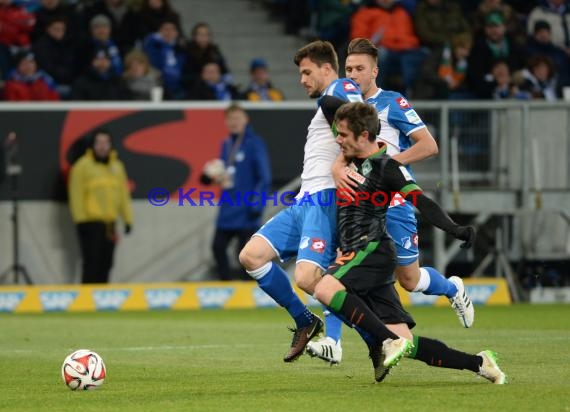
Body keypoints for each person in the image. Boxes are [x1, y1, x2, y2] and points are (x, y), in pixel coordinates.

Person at [311, 101, 506, 384]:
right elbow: (328, 103)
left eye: (342, 135)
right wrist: (337, 161)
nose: (336, 139)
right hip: (360, 255)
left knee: (324, 287)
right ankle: (479, 363)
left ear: (364, 136)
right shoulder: (351, 157)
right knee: (407, 341)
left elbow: (422, 202)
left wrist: (456, 229)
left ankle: (384, 340)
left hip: (372, 250)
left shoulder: (388, 167)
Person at [307, 38, 475, 365]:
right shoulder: (343, 106)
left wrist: (386, 164)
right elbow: (338, 150)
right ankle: (333, 341)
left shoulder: (392, 103)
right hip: (358, 205)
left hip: (394, 201)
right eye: (349, 69)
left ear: (375, 71)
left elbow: (428, 145)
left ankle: (452, 289)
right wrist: (339, 166)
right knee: (338, 263)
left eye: (360, 69)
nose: (353, 75)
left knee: (409, 280)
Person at [238, 40, 363, 363]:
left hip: (325, 200)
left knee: (308, 278)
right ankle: (306, 320)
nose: (302, 79)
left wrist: (342, 165)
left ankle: (372, 334)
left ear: (326, 68)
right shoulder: (326, 100)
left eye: (307, 72)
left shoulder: (342, 87)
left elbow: (358, 120)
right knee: (251, 256)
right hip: (304, 200)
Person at [200, 103, 271, 281]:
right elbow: (226, 171)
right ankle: (226, 286)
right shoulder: (226, 144)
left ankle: (247, 290)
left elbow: (264, 176)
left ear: (246, 119)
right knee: (217, 247)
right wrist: (212, 176)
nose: (234, 123)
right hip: (228, 206)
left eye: (237, 118)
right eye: (230, 119)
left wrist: (257, 204)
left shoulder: (255, 143)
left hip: (247, 208)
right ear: (225, 122)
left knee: (244, 253)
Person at [68, 129, 133, 284]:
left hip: (110, 222)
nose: (102, 146)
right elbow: (76, 195)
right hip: (90, 222)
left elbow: (123, 195)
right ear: (93, 145)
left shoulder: (117, 167)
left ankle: (101, 300)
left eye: (106, 142)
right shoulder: (82, 166)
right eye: (99, 142)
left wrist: (127, 219)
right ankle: (87, 301)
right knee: (91, 262)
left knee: (107, 263)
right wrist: (80, 220)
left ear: (110, 145)